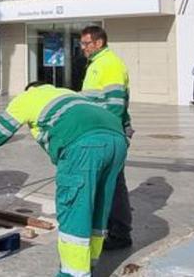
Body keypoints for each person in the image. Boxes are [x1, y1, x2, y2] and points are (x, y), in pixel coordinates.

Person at [0, 82, 127, 277]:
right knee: (99, 206)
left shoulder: (28, 97)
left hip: (84, 146)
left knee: (75, 209)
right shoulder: (67, 93)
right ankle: (89, 264)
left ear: (30, 89)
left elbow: (3, 126)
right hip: (117, 141)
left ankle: (73, 273)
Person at [78, 25, 134, 250]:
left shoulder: (109, 64)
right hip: (100, 132)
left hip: (106, 134)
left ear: (98, 43)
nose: (83, 48)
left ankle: (120, 234)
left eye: (85, 44)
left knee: (113, 183)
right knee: (109, 183)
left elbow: (114, 105)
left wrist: (103, 136)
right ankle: (114, 229)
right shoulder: (98, 64)